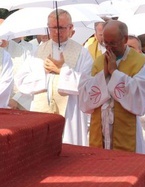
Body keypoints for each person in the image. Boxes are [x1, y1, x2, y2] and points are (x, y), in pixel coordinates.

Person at [15, 9, 93, 145]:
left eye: (61, 28)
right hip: (41, 111)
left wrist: (61, 71)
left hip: (70, 112)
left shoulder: (82, 53)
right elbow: (21, 81)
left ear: (70, 28)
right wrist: (43, 73)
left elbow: (88, 85)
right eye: (53, 28)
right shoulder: (37, 51)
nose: (57, 32)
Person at [79, 20, 145, 153]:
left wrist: (115, 73)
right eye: (106, 43)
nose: (109, 48)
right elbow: (85, 98)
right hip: (100, 127)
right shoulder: (98, 62)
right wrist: (104, 74)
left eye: (113, 43)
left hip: (126, 132)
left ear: (124, 39)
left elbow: (139, 98)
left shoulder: (139, 62)